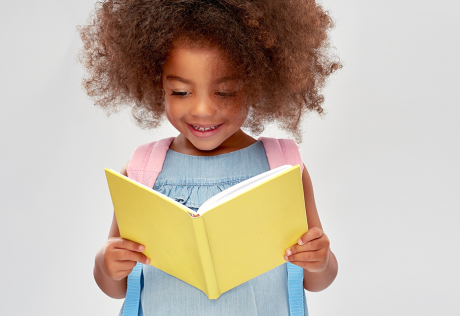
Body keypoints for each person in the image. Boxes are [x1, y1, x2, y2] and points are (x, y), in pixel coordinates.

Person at [79, 0, 340, 315]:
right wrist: (107, 265)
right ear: (155, 82)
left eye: (225, 91)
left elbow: (316, 280)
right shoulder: (142, 171)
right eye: (180, 92)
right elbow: (116, 286)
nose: (202, 110)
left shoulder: (284, 167)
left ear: (258, 83)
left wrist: (320, 260)